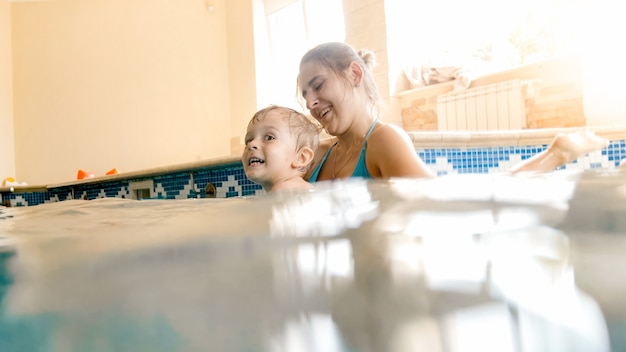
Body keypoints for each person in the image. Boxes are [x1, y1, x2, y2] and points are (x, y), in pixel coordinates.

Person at [296, 42, 608, 182]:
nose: (311, 102)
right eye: (305, 93)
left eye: (318, 85)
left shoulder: (383, 142)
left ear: (355, 74)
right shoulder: (318, 155)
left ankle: (556, 153)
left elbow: (446, 212)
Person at [242, 105, 321, 193]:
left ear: (301, 157)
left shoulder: (285, 189)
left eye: (269, 138)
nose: (252, 144)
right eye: (249, 140)